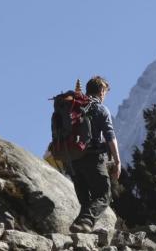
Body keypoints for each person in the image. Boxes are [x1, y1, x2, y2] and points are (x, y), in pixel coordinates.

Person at [69, 75, 122, 233]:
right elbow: (110, 137)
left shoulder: (75, 107)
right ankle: (85, 222)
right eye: (105, 91)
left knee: (86, 201)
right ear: (101, 90)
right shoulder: (100, 108)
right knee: (104, 195)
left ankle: (81, 229)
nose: (105, 95)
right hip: (93, 157)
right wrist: (118, 162)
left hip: (73, 160)